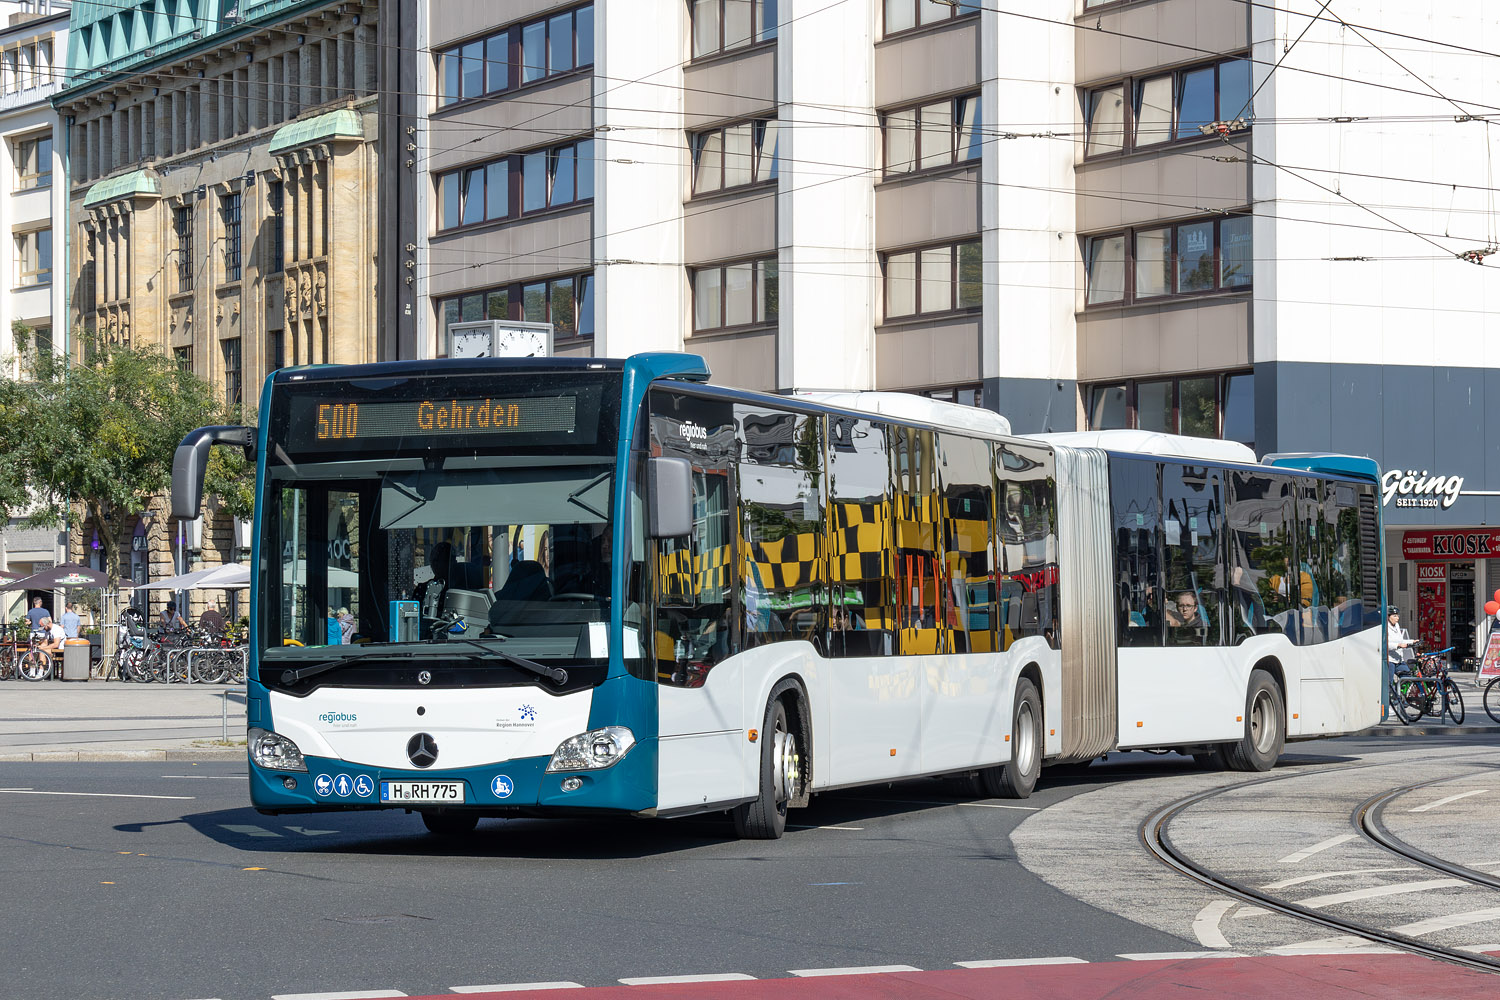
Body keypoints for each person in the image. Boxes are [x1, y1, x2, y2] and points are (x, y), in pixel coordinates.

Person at [1387, 606, 1417, 674]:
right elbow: (1384, 644)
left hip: (1399, 659)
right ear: (1388, 617)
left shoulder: (1396, 625)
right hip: (1390, 660)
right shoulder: (1385, 627)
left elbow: (1401, 640)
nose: (1397, 618)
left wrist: (1412, 641)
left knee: (1407, 678)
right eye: (1394, 616)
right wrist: (1398, 645)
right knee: (1389, 683)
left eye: (1398, 616)